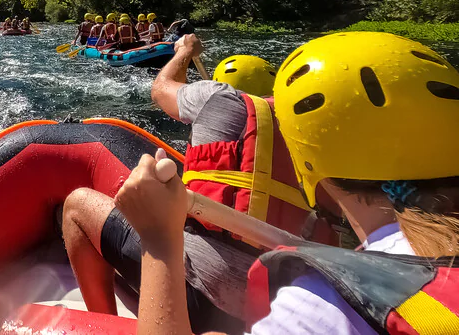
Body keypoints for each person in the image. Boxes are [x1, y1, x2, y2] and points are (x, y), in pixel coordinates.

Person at [118, 31, 459, 334]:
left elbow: (161, 89)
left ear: (308, 164)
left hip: (212, 279)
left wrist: (159, 239)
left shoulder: (321, 305)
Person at [61, 35, 339, 333]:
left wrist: (184, 51)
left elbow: (160, 89)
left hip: (194, 292)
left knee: (77, 205)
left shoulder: (218, 97)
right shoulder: (317, 147)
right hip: (275, 308)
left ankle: (105, 324)